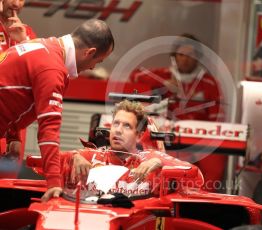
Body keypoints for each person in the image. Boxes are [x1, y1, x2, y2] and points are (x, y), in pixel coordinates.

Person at [0, 18, 114, 202]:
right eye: (98, 61)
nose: (93, 67)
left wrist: (13, 136)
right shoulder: (52, 68)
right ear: (90, 52)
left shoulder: (43, 45)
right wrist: (53, 183)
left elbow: (12, 89)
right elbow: (48, 131)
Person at [130, 34, 227, 192]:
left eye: (190, 55)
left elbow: (217, 119)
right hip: (167, 138)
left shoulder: (209, 83)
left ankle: (202, 201)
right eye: (181, 55)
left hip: (200, 140)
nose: (185, 59)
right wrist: (164, 84)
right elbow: (135, 75)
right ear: (174, 57)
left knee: (214, 164)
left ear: (198, 58)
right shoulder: (165, 75)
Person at [62, 100, 203, 196]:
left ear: (139, 136)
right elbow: (47, 160)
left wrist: (161, 163)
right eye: (115, 124)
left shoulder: (153, 159)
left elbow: (197, 178)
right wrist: (73, 156)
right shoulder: (90, 157)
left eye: (127, 126)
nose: (118, 130)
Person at [0, 0, 37, 163]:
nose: (16, 3)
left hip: (15, 124)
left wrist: (15, 136)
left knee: (7, 180)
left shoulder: (27, 33)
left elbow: (31, 86)